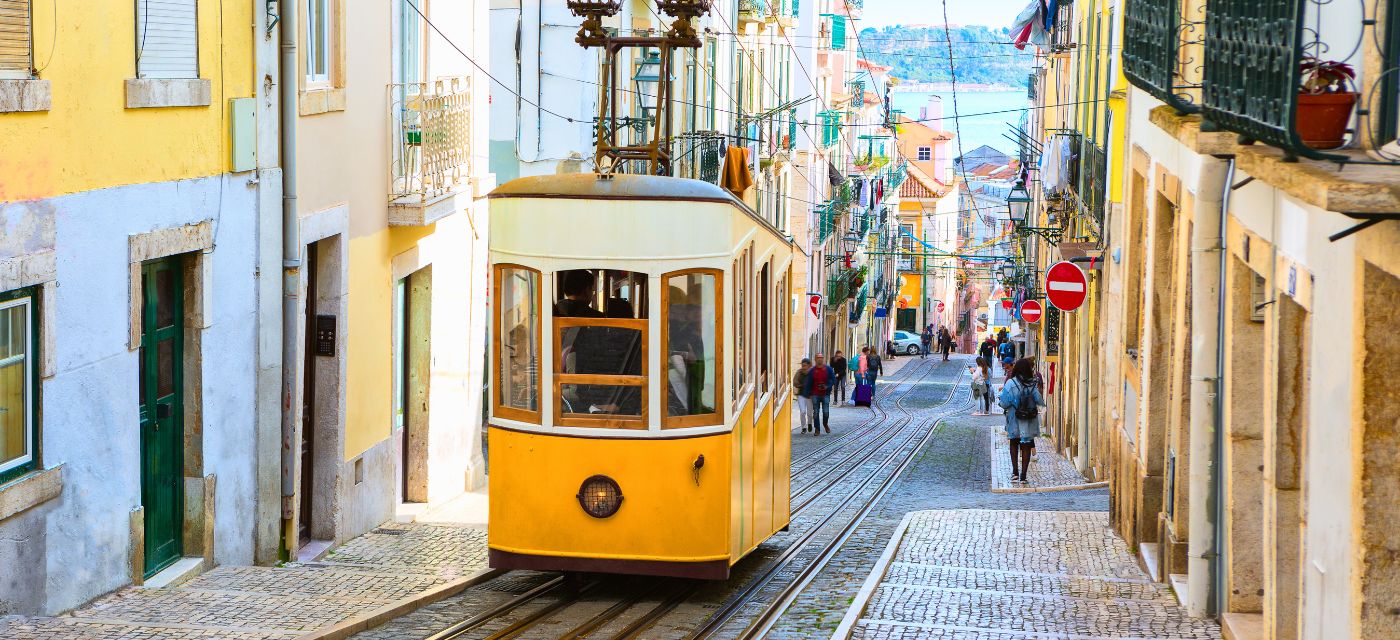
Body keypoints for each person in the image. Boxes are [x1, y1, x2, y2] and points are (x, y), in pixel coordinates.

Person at [998, 358, 1046, 484]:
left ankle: (1015, 473)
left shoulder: (1010, 383)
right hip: (1029, 419)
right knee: (1026, 445)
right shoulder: (1032, 384)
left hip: (1014, 418)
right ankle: (1023, 476)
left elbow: (1004, 403)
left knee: (1014, 443)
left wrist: (1009, 402)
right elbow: (1039, 401)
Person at [805, 354, 837, 435]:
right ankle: (817, 428)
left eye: (821, 358)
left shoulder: (828, 369)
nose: (820, 360)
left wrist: (827, 386)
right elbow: (808, 382)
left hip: (825, 393)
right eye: (818, 358)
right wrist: (807, 393)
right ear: (815, 359)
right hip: (815, 394)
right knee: (816, 412)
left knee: (825, 412)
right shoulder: (812, 371)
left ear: (823, 359)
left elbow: (833, 380)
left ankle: (825, 424)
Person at [793, 358, 813, 433]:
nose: (803, 367)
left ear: (809, 365)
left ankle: (810, 423)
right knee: (802, 411)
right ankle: (804, 427)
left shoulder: (812, 373)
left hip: (809, 395)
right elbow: (795, 382)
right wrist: (801, 385)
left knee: (810, 413)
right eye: (802, 365)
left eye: (805, 365)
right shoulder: (799, 372)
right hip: (801, 394)